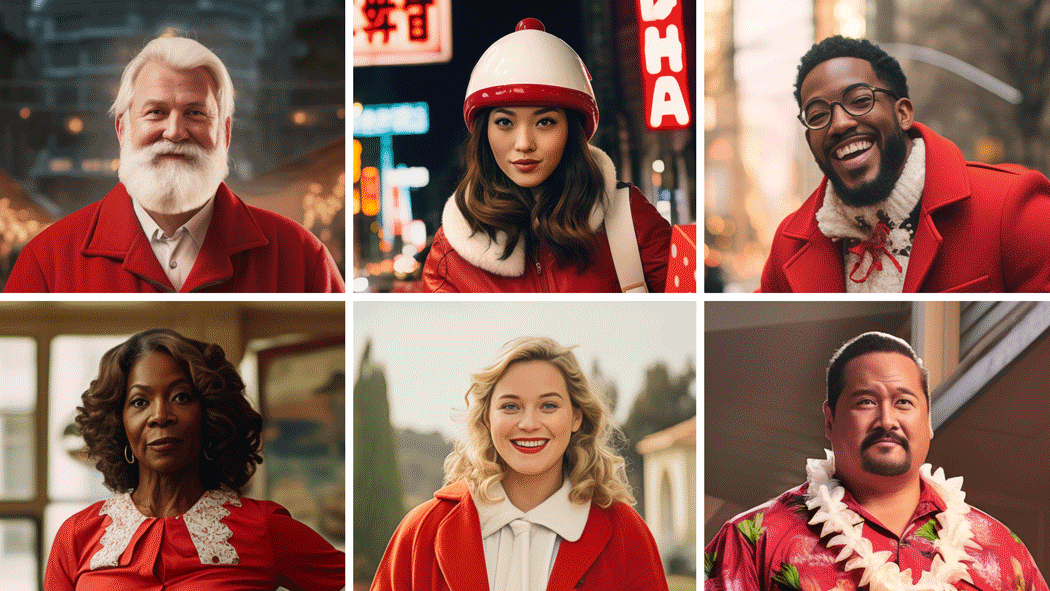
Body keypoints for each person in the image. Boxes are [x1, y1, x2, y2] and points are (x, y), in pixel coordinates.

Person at [705, 332, 1048, 591]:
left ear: (928, 421)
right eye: (865, 401)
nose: (887, 420)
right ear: (829, 421)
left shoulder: (1001, 550)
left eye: (903, 402)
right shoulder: (752, 541)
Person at [5, 36, 344, 293]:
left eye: (195, 113)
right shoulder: (47, 261)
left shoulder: (301, 259)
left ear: (224, 132)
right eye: (156, 112)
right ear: (122, 129)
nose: (175, 131)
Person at [45, 328, 345, 590]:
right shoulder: (77, 535)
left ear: (210, 415)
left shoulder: (263, 528)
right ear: (119, 423)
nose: (160, 415)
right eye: (139, 402)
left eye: (181, 397)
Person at [371, 336, 669, 590]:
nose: (529, 423)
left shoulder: (627, 535)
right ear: (487, 417)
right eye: (511, 406)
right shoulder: (422, 531)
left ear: (577, 417)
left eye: (548, 406)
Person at [760, 36, 1050, 292]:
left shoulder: (1013, 207)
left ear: (903, 114)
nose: (839, 123)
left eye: (860, 100)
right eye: (818, 115)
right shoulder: (787, 249)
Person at [422, 19, 671, 292]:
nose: (524, 143)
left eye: (545, 122)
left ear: (572, 130)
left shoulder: (628, 217)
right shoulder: (452, 253)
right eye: (505, 122)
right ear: (484, 133)